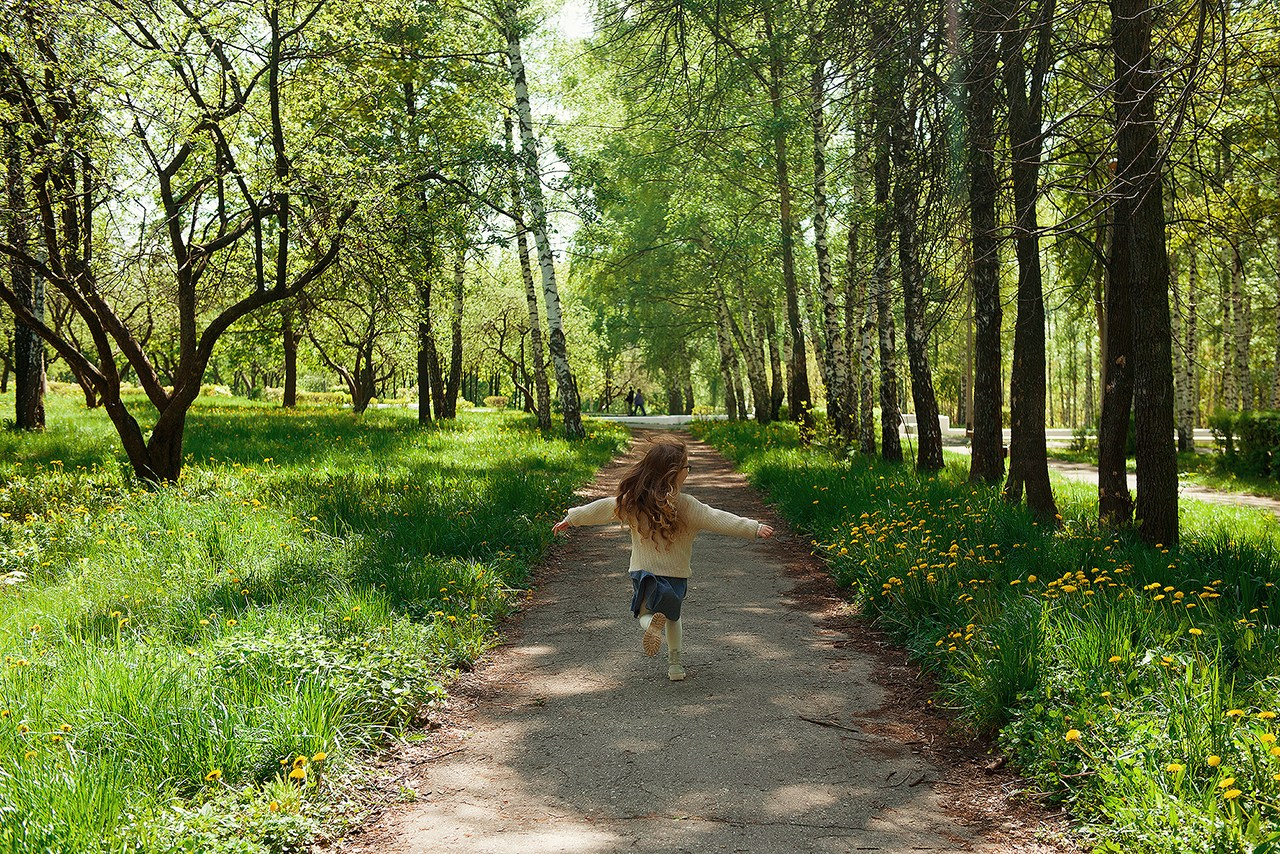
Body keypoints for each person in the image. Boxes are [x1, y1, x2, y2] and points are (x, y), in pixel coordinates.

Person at [552, 436, 774, 681]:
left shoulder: (635, 502)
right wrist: (753, 528)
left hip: (645, 573)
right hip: (676, 575)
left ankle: (650, 626)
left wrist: (572, 518)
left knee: (645, 614)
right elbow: (719, 518)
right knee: (673, 617)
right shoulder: (688, 506)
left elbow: (604, 508)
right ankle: (675, 666)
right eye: (687, 467)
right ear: (674, 473)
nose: (688, 470)